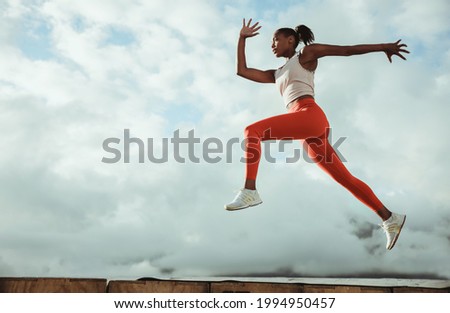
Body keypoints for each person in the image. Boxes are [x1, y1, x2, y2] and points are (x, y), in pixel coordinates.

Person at [225, 18, 409, 250]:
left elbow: (346, 51)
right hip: (306, 129)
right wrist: (241, 39)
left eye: (275, 39)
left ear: (290, 39)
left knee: (253, 131)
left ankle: (250, 190)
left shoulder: (306, 54)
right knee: (344, 178)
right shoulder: (277, 72)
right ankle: (389, 217)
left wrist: (384, 46)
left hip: (309, 115)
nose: (272, 45)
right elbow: (242, 71)